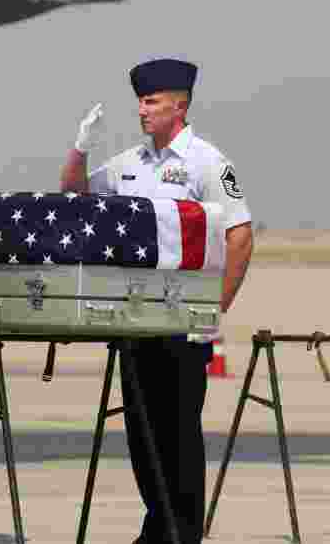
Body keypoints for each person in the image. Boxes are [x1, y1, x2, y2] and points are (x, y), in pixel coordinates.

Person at [59, 58, 253, 544]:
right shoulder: (129, 164)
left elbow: (241, 237)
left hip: (183, 326)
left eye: (151, 102)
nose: (142, 111)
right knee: (143, 438)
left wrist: (216, 309)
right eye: (140, 102)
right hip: (134, 324)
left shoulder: (209, 163)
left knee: (178, 436)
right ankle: (158, 526)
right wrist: (81, 149)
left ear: (180, 105)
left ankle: (181, 533)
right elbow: (73, 195)